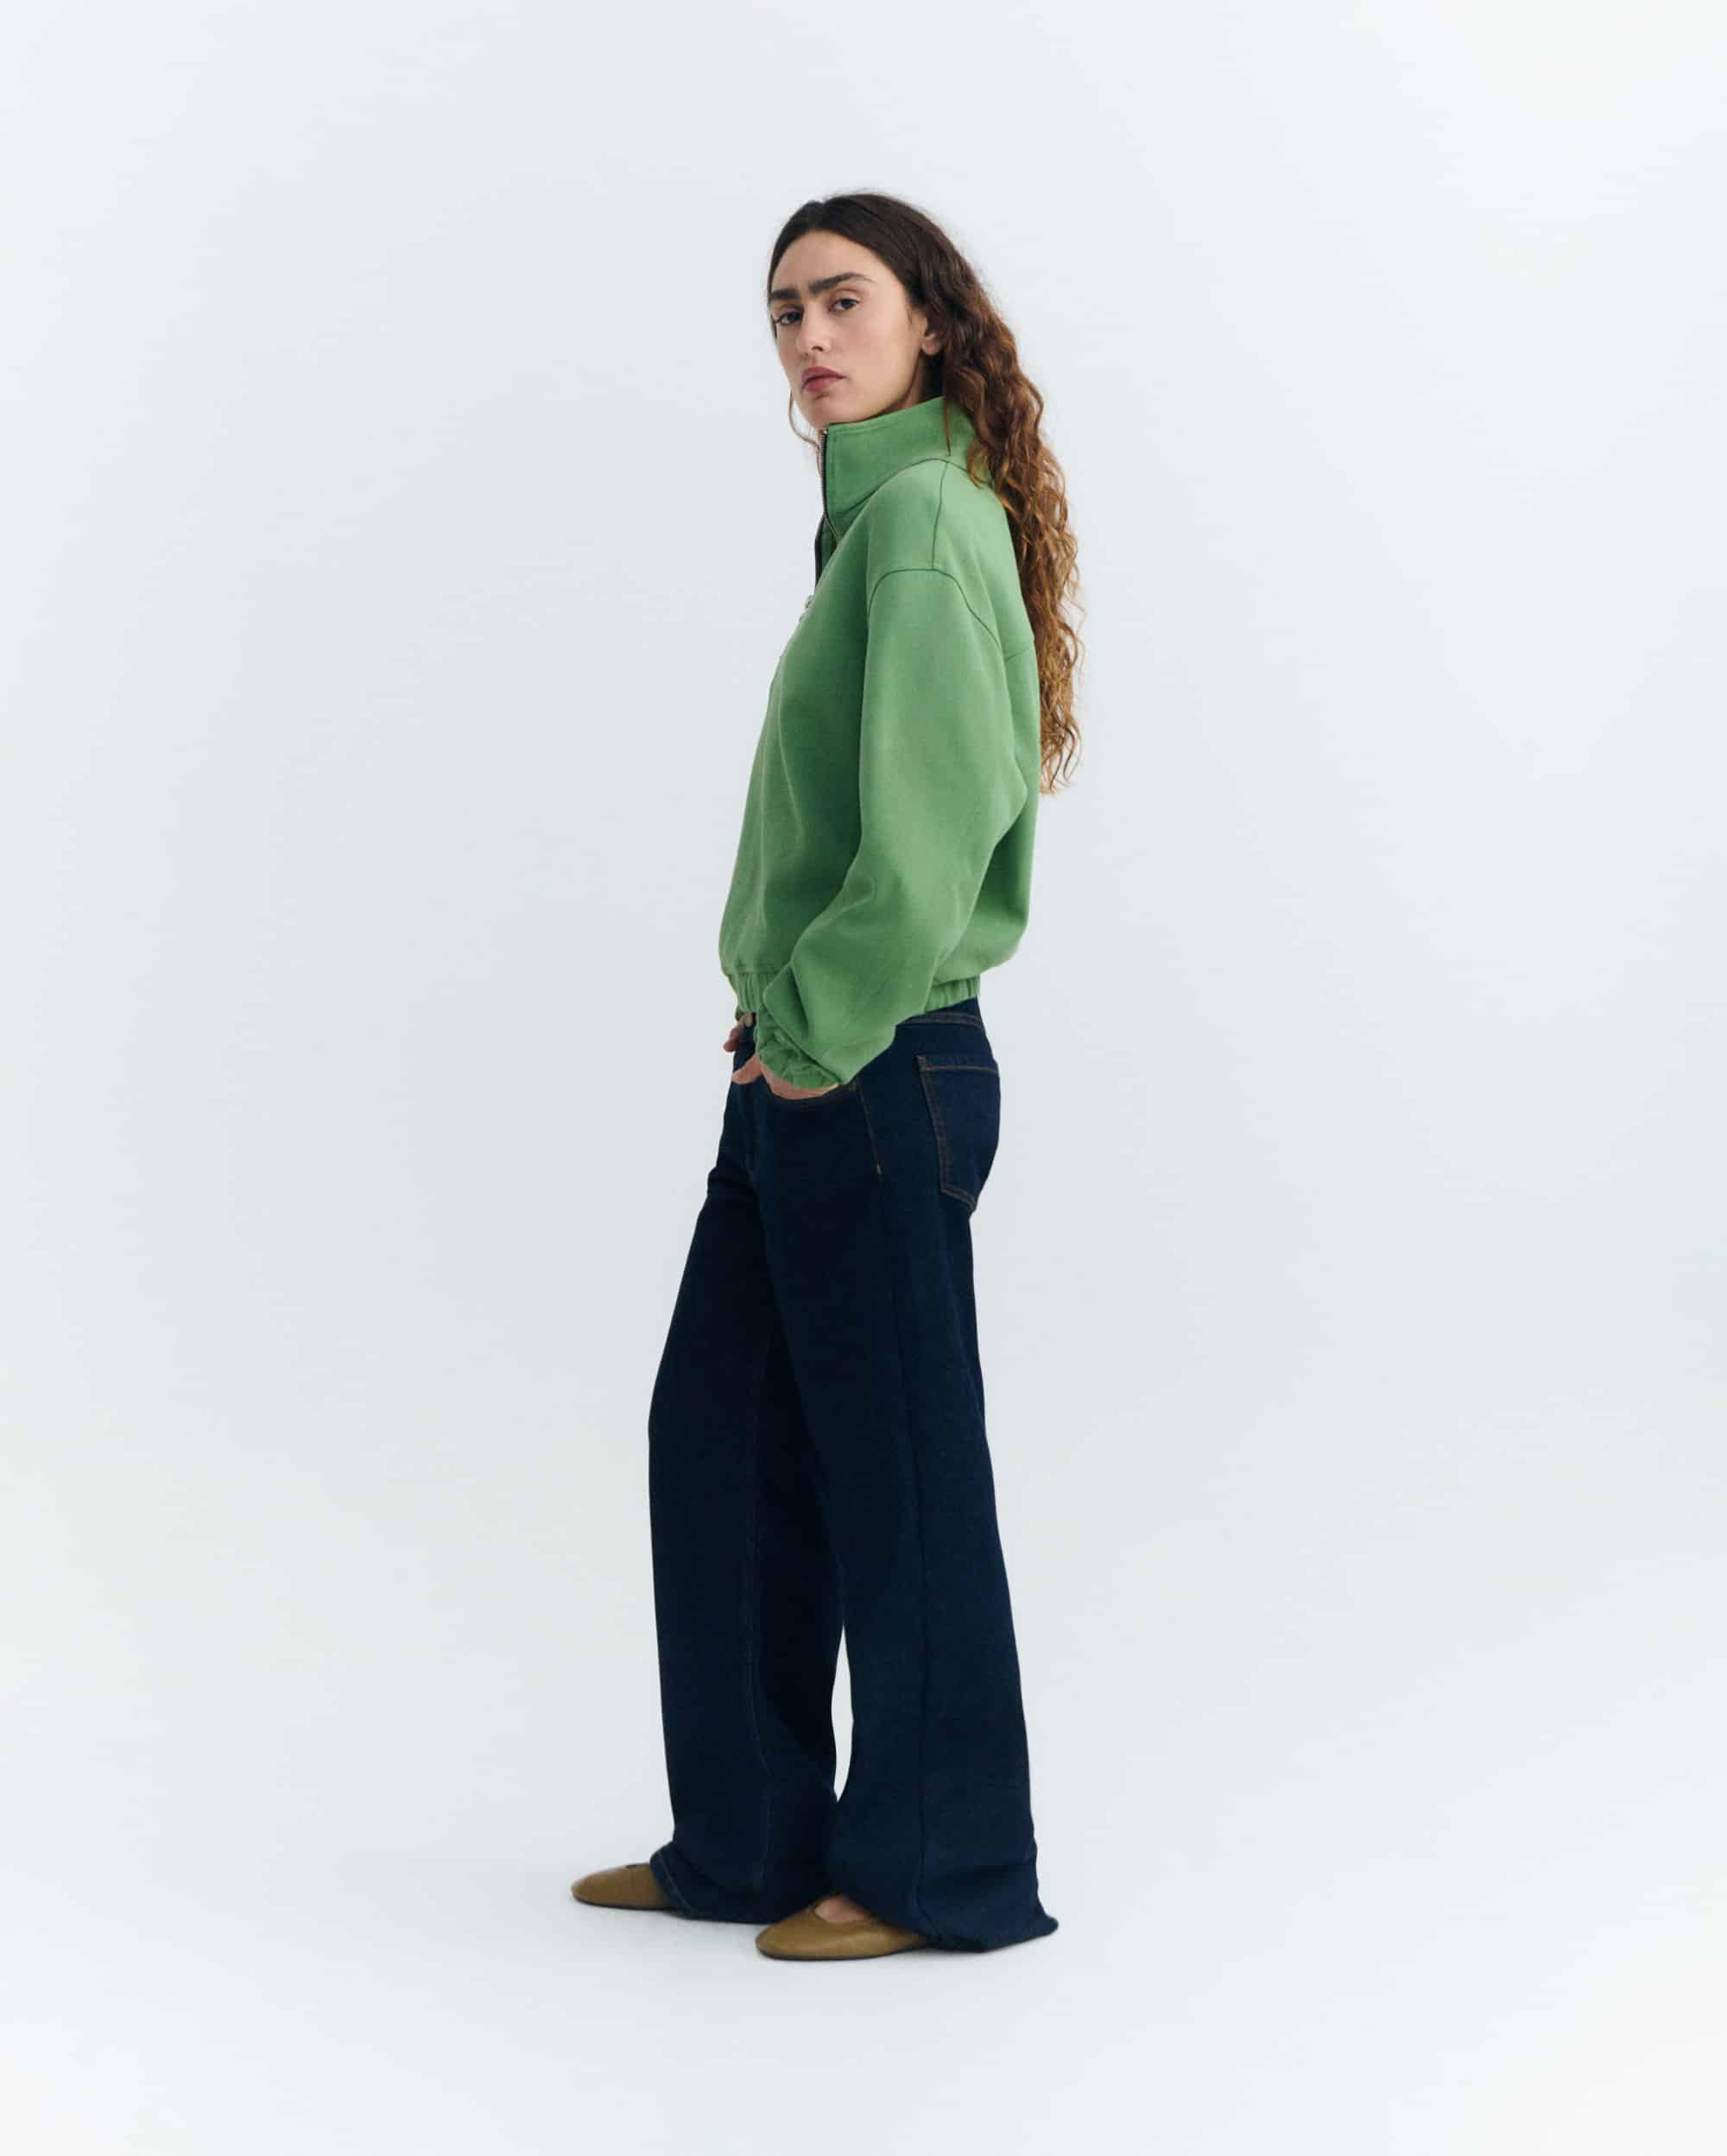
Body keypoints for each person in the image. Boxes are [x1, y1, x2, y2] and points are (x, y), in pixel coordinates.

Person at [573, 192, 1084, 1961]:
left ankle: (945, 1870)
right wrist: (778, 1035)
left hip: (871, 1064)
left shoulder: (924, 524)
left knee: (898, 1477)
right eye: (784, 309)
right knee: (720, 1443)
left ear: (929, 318)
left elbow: (929, 845)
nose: (808, 336)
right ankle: (749, 1842)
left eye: (843, 299)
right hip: (806, 1062)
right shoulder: (879, 522)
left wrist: (810, 1035)